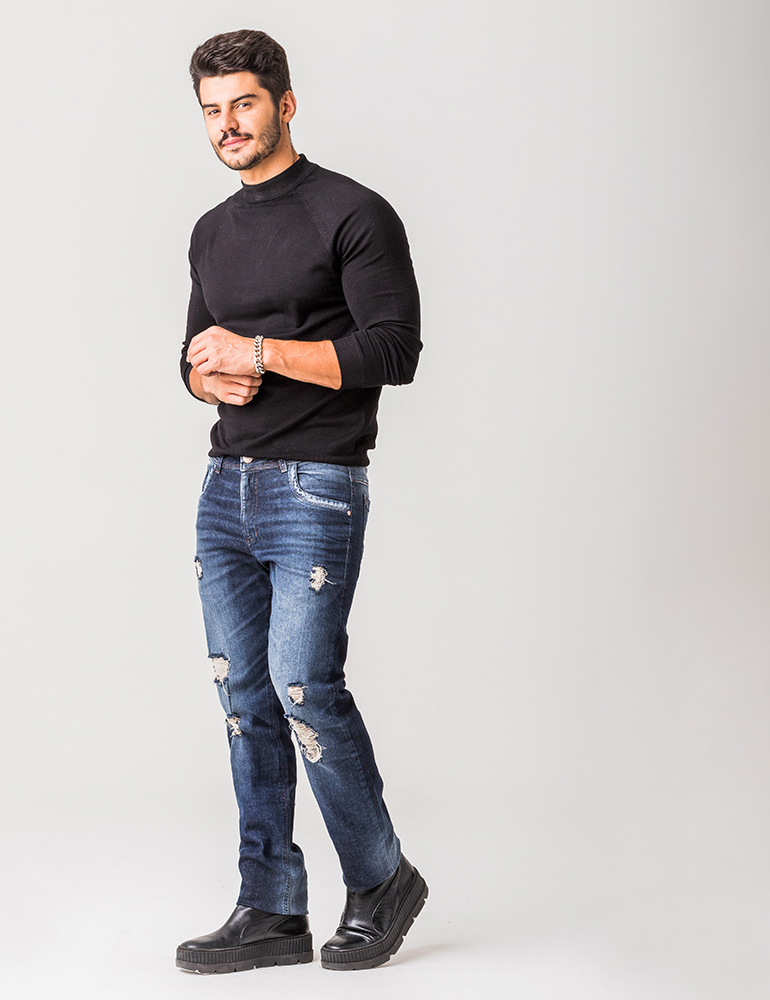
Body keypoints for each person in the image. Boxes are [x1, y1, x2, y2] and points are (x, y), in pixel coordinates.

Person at [176, 28, 427, 974]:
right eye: (211, 110)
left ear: (284, 103)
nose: (227, 125)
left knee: (304, 688)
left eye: (242, 103)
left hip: (315, 484)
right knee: (243, 697)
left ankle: (381, 880)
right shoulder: (210, 231)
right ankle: (271, 905)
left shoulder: (352, 212)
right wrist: (204, 375)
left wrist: (262, 354)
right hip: (225, 486)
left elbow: (393, 350)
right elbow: (194, 352)